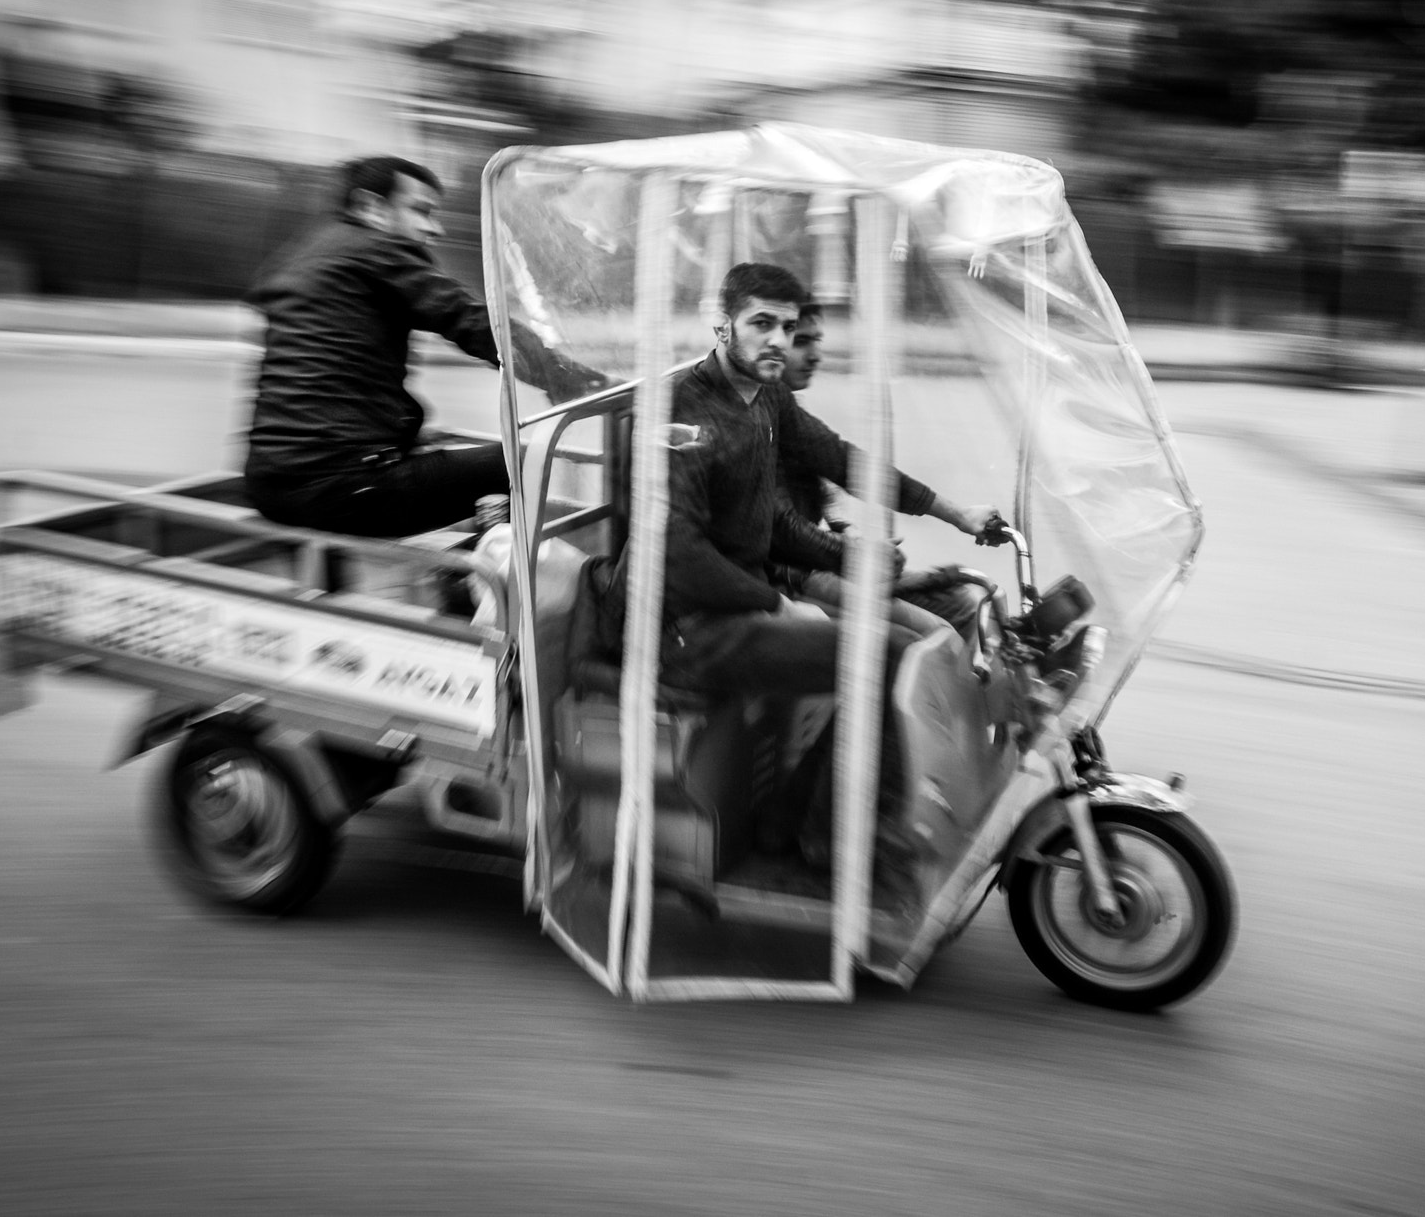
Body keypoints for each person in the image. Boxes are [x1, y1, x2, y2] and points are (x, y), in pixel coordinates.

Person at [588, 263, 994, 876]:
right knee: (887, 659)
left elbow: (837, 463)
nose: (777, 340)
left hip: (728, 610)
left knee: (911, 650)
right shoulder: (681, 416)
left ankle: (795, 817)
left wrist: (950, 512)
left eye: (788, 326)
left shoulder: (767, 396)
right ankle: (831, 838)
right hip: (678, 627)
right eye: (761, 324)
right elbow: (680, 556)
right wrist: (776, 604)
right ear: (722, 327)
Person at [241, 155, 508, 539]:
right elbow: (471, 322)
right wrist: (561, 371)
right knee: (522, 465)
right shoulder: (378, 249)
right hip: (346, 489)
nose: (435, 228)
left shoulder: (303, 257)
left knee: (436, 459)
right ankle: (473, 589)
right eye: (421, 211)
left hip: (269, 485)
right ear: (371, 207)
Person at [773, 300, 986, 636]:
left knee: (957, 594)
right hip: (790, 575)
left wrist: (959, 515)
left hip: (813, 562)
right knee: (939, 621)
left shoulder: (781, 406)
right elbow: (784, 527)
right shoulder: (757, 412)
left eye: (817, 341)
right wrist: (857, 554)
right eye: (801, 342)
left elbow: (845, 465)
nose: (815, 356)